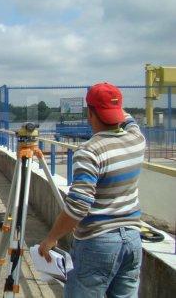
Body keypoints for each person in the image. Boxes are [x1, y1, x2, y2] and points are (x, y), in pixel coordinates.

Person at [38, 83, 145, 297]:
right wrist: (113, 102)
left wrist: (51, 238)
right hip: (133, 240)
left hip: (98, 244)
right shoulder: (137, 139)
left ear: (90, 113)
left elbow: (78, 206)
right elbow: (129, 118)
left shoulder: (90, 152)